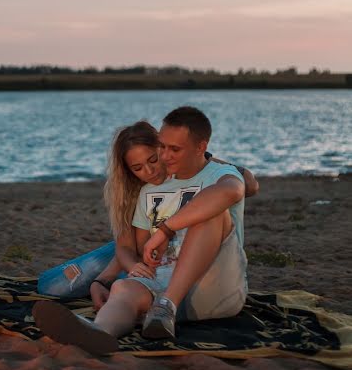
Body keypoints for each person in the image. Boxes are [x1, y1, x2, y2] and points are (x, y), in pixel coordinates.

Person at [34, 109, 254, 354]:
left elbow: (232, 191)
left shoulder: (219, 175)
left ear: (200, 146)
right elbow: (136, 248)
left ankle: (166, 305)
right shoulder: (146, 193)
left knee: (207, 212)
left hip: (211, 287)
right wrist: (115, 277)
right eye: (163, 147)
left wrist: (165, 229)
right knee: (125, 289)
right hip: (162, 288)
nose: (165, 156)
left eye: (173, 150)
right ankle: (99, 331)